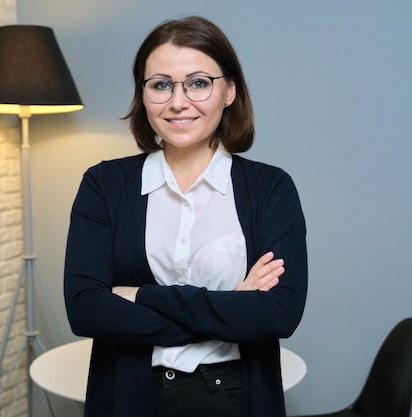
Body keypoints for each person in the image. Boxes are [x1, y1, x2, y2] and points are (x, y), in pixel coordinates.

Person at [64, 15, 307, 417]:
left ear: (229, 90)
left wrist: (140, 295)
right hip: (127, 394)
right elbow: (85, 309)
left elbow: (278, 315)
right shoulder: (104, 185)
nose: (178, 102)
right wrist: (230, 306)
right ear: (143, 95)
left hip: (232, 395)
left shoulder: (271, 190)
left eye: (198, 83)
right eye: (161, 85)